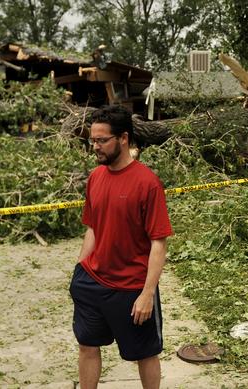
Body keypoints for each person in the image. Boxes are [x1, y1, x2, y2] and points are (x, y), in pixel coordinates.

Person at [69, 105, 172, 389]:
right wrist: (79, 272)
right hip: (92, 282)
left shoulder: (147, 183)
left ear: (123, 138)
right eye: (93, 140)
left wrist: (147, 294)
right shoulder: (96, 178)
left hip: (131, 288)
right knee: (87, 346)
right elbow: (92, 228)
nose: (96, 147)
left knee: (146, 354)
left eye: (102, 140)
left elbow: (158, 242)